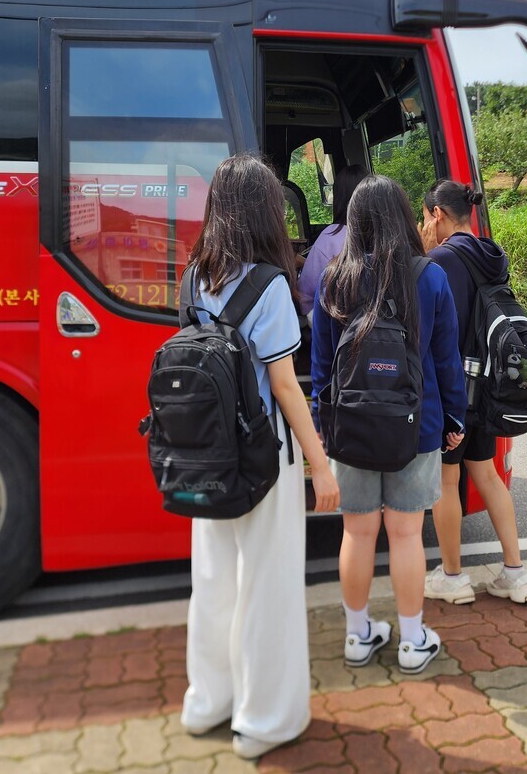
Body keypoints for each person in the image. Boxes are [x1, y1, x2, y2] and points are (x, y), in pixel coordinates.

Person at [179, 154, 340, 761]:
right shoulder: (269, 284)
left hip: (207, 448)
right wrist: (319, 463)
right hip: (264, 454)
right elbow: (284, 385)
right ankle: (264, 720)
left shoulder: (196, 274)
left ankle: (208, 702)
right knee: (267, 584)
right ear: (265, 211)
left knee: (214, 578)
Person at [311, 174, 466, 674]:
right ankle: (412, 639)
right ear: (403, 216)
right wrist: (454, 420)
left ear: (354, 223)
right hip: (415, 426)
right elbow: (447, 361)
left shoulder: (335, 277)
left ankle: (358, 637)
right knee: (404, 536)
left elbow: (320, 367)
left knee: (356, 535)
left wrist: (322, 426)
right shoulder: (430, 277)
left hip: (350, 429)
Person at [420, 179, 527, 605]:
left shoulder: (441, 261)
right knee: (487, 475)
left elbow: (439, 335)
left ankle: (453, 577)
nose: (421, 226)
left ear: (437, 214)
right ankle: (516, 573)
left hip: (457, 389)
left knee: (446, 481)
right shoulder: (493, 254)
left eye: (424, 217)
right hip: (490, 384)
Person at [296, 163, 368, 313]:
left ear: (338, 198)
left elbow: (305, 296)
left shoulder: (330, 236)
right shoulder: (383, 235)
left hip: (335, 325)